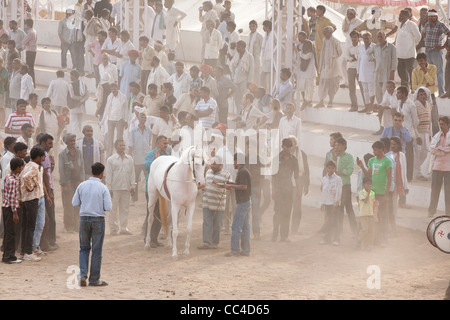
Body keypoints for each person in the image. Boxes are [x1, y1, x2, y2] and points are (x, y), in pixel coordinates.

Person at [72, 162, 112, 287]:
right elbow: (108, 207)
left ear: (91, 171)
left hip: (84, 218)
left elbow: (75, 202)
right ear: (101, 173)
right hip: (98, 219)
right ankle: (94, 279)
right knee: (96, 250)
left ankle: (82, 275)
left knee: (84, 248)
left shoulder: (82, 185)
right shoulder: (103, 188)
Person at [357, 140, 392, 245]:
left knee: (382, 216)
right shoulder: (372, 160)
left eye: (376, 149)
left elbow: (389, 179)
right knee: (371, 216)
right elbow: (368, 175)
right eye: (373, 149)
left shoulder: (387, 161)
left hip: (381, 193)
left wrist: (386, 194)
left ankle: (383, 239)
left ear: (382, 150)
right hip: (372, 192)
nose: (374, 151)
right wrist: (362, 166)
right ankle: (373, 238)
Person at [19, 145, 46, 262]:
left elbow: (21, 176)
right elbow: (25, 178)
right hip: (32, 199)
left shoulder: (28, 165)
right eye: (42, 156)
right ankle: (28, 252)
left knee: (26, 226)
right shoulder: (34, 167)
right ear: (38, 157)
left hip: (27, 199)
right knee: (30, 227)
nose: (44, 158)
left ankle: (24, 251)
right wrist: (31, 187)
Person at [271, 138, 301, 242]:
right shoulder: (276, 159)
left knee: (287, 212)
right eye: (285, 146)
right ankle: (275, 234)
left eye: (289, 147)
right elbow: (273, 176)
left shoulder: (294, 160)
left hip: (288, 188)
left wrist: (298, 189)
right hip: (278, 187)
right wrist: (273, 190)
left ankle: (284, 236)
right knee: (278, 211)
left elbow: (296, 176)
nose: (287, 149)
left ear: (291, 147)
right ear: (282, 146)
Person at [198, 156, 232, 249]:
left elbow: (230, 186)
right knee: (206, 222)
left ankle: (215, 243)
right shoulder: (208, 172)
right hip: (206, 202)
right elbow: (205, 183)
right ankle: (206, 242)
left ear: (221, 165)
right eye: (211, 163)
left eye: (214, 163)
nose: (212, 165)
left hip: (218, 204)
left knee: (217, 224)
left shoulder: (226, 174)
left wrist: (219, 184)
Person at [144, 135, 170, 248]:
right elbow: (146, 166)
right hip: (151, 189)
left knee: (161, 213)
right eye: (164, 143)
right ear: (158, 144)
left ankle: (154, 239)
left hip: (163, 189)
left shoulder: (168, 156)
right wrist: (156, 159)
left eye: (166, 143)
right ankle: (147, 238)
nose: (166, 145)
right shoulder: (151, 154)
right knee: (151, 213)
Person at [106, 139, 135, 235]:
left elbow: (132, 173)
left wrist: (132, 185)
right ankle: (113, 228)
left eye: (123, 145)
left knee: (125, 209)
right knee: (113, 209)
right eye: (120, 145)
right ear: (115, 147)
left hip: (126, 187)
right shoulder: (111, 159)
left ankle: (123, 228)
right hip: (115, 188)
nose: (122, 147)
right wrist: (109, 188)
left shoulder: (129, 159)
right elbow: (109, 174)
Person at [224, 153, 251, 257]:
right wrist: (232, 184)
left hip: (242, 202)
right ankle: (245, 250)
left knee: (236, 226)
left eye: (234, 161)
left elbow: (244, 187)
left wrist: (230, 185)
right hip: (246, 201)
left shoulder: (242, 172)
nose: (233, 163)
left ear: (238, 162)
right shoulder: (244, 171)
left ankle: (235, 250)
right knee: (245, 227)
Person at [59, 133, 85, 233]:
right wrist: (64, 184)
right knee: (68, 205)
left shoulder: (78, 152)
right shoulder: (62, 154)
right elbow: (61, 170)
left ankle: (77, 226)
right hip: (68, 183)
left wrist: (81, 180)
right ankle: (69, 226)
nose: (73, 142)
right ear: (66, 142)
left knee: (78, 205)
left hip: (77, 182)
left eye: (74, 140)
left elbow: (82, 167)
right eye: (71, 141)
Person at [421, 9, 450, 97]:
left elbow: (449, 34)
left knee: (439, 72)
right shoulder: (427, 24)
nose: (430, 18)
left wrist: (443, 46)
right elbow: (423, 33)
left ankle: (441, 91)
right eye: (429, 16)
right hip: (428, 51)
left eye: (432, 16)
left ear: (436, 16)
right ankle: (431, 91)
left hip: (436, 51)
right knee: (430, 72)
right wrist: (427, 40)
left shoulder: (440, 25)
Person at [1, 157, 25, 264]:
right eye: (22, 166)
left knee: (8, 233)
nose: (23, 168)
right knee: (11, 233)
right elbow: (11, 199)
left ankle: (7, 255)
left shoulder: (10, 177)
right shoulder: (12, 181)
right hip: (10, 209)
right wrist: (15, 213)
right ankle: (9, 256)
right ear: (18, 167)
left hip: (7, 207)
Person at [333, 137, 358, 235]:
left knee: (347, 208)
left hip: (345, 186)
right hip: (336, 186)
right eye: (335, 145)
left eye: (338, 145)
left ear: (344, 146)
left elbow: (349, 171)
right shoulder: (333, 157)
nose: (336, 147)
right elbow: (331, 169)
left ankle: (354, 230)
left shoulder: (349, 157)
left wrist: (338, 172)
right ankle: (340, 230)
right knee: (340, 208)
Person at [38, 134, 58, 252]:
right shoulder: (43, 154)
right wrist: (49, 193)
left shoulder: (44, 154)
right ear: (43, 143)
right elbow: (45, 174)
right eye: (49, 143)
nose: (51, 146)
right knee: (49, 217)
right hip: (47, 188)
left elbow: (48, 172)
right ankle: (48, 242)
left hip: (46, 187)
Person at [412, 52, 439, 135]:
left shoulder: (433, 68)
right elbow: (414, 86)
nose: (420, 63)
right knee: (421, 118)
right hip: (419, 98)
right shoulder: (415, 71)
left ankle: (436, 137)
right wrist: (425, 85)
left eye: (421, 61)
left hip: (430, 95)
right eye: (419, 61)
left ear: (425, 60)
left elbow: (432, 81)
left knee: (434, 118)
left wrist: (425, 71)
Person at [428, 116, 450, 217]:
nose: (441, 126)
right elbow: (432, 150)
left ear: (448, 124)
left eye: (443, 124)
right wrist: (444, 150)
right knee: (434, 191)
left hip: (448, 168)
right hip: (437, 167)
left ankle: (448, 213)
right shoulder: (437, 136)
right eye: (440, 124)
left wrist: (440, 149)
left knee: (448, 193)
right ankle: (431, 212)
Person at [394, 10, 421, 92]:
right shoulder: (400, 25)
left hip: (409, 53)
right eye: (399, 15)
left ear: (407, 16)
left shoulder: (411, 24)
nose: (400, 16)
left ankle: (413, 88)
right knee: (400, 71)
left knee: (411, 70)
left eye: (401, 15)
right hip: (400, 54)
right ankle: (405, 88)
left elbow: (418, 37)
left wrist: (413, 45)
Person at [315, 26, 341, 109]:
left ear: (330, 33)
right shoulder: (324, 40)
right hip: (325, 65)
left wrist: (333, 56)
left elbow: (340, 52)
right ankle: (321, 101)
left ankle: (331, 100)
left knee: (332, 84)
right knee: (322, 83)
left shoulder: (336, 41)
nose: (323, 33)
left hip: (333, 65)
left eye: (325, 32)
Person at [397, 85, 419, 182]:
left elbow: (416, 121)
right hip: (400, 133)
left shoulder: (411, 105)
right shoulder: (399, 103)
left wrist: (413, 133)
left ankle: (409, 177)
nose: (397, 94)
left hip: (409, 133)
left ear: (404, 94)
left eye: (398, 92)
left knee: (409, 156)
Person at [99, 83, 128, 157]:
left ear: (117, 88)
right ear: (110, 89)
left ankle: (120, 154)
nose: (114, 90)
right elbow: (107, 108)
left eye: (115, 88)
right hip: (111, 119)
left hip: (120, 119)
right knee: (109, 138)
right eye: (112, 89)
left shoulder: (123, 97)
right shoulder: (110, 96)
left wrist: (126, 120)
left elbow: (125, 109)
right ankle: (109, 155)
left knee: (119, 138)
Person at [371, 31, 397, 108]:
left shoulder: (391, 47)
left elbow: (394, 60)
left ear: (385, 37)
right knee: (377, 90)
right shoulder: (375, 47)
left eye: (381, 36)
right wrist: (372, 59)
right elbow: (368, 53)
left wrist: (393, 71)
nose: (379, 38)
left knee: (385, 90)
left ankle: (386, 106)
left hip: (387, 72)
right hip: (378, 72)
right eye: (378, 37)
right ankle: (380, 107)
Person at [319, 160, 342, 245]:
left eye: (332, 168)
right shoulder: (324, 179)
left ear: (334, 168)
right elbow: (324, 192)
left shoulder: (338, 179)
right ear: (326, 168)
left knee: (335, 221)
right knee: (327, 221)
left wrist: (336, 204)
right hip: (327, 204)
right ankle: (327, 238)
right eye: (329, 168)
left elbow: (338, 192)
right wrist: (323, 203)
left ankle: (336, 239)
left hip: (334, 204)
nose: (331, 169)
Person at [413, 87, 432, 181]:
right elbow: (414, 121)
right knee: (418, 152)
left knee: (424, 152)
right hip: (418, 132)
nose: (423, 96)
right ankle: (417, 173)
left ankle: (415, 169)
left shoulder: (428, 104)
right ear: (417, 95)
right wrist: (417, 136)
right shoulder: (415, 105)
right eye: (420, 94)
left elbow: (430, 120)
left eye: (424, 94)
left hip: (425, 132)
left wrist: (430, 133)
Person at [296, 32, 316, 111]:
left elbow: (308, 56)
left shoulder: (308, 43)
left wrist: (299, 52)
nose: (299, 38)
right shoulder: (299, 45)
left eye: (300, 37)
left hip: (309, 69)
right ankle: (305, 100)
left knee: (309, 87)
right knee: (302, 86)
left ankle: (309, 101)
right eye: (298, 37)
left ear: (305, 37)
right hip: (302, 70)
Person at [357, 177, 377, 251]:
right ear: (363, 185)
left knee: (371, 231)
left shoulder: (373, 193)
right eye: (367, 184)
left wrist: (375, 213)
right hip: (363, 214)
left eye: (370, 184)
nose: (369, 186)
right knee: (365, 229)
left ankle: (369, 245)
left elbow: (373, 203)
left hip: (370, 214)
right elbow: (365, 201)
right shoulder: (361, 192)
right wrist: (369, 192)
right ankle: (359, 240)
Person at [67, 70, 90, 138]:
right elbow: (87, 95)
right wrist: (81, 101)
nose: (70, 77)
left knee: (74, 122)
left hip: (74, 106)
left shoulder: (71, 85)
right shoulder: (83, 84)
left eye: (71, 75)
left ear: (74, 76)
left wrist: (79, 100)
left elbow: (72, 96)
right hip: (81, 106)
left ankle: (76, 136)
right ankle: (79, 135)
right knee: (80, 122)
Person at [22, 19, 37, 87]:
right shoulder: (34, 31)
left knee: (29, 67)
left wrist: (26, 43)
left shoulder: (30, 32)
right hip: (33, 50)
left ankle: (31, 84)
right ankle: (32, 83)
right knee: (31, 67)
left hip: (30, 51)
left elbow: (24, 42)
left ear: (27, 25)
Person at [260, 20, 273, 90]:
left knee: (268, 78)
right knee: (263, 76)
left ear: (267, 27)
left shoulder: (273, 34)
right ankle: (265, 90)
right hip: (265, 58)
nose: (263, 28)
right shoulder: (266, 35)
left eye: (264, 26)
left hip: (270, 58)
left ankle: (268, 90)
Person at [0, 56, 8, 127]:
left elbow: (1, 78)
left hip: (1, 91)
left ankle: (2, 124)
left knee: (1, 108)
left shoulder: (4, 70)